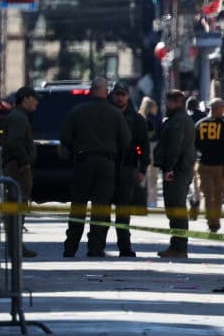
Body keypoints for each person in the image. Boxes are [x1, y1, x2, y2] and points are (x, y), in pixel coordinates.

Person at [60, 77, 131, 258]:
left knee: (78, 206)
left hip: (83, 162)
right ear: (106, 92)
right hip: (107, 164)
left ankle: (70, 247)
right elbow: (126, 141)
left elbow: (65, 139)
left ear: (92, 90)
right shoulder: (115, 114)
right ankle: (95, 248)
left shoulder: (77, 112)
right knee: (101, 208)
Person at [153, 89, 196, 258]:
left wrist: (169, 168)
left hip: (177, 171)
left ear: (176, 102)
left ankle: (178, 247)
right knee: (175, 208)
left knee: (175, 208)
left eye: (169, 101)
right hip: (181, 169)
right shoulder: (182, 119)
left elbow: (174, 147)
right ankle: (177, 246)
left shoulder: (178, 121)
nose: (166, 105)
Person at [110, 82, 150, 257]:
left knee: (123, 212)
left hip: (127, 168)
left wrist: (142, 169)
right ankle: (96, 247)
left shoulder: (136, 119)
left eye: (123, 94)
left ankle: (124, 247)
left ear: (128, 96)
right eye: (117, 94)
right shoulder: (106, 115)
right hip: (108, 168)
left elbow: (144, 146)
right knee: (102, 210)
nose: (120, 98)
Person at [1, 86, 39, 258]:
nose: (36, 102)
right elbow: (14, 142)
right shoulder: (18, 118)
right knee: (17, 207)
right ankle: (15, 247)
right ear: (25, 99)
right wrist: (24, 161)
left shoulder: (19, 116)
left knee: (18, 208)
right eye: (34, 98)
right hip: (17, 168)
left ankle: (17, 245)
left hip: (17, 167)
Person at [194, 98, 224, 232]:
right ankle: (215, 221)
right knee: (218, 195)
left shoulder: (199, 124)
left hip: (204, 164)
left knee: (207, 195)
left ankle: (210, 221)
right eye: (222, 108)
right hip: (220, 166)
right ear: (217, 109)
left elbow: (194, 145)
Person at [138, 96, 160, 208]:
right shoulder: (154, 119)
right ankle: (152, 200)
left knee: (143, 174)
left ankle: (142, 197)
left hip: (141, 148)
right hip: (153, 147)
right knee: (153, 175)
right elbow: (156, 134)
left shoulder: (139, 118)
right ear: (151, 107)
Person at [186, 95, 205, 219]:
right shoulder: (204, 117)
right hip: (203, 153)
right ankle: (197, 201)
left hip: (188, 152)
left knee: (187, 180)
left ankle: (192, 198)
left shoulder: (187, 118)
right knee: (199, 181)